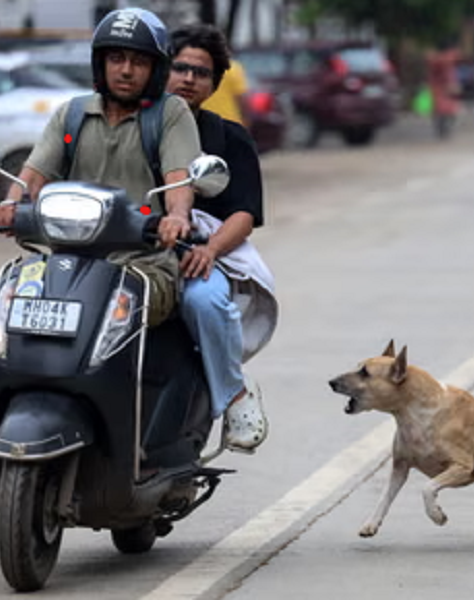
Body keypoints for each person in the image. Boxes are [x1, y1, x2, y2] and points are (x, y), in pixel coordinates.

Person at [0, 7, 201, 327]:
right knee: (10, 304)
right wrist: (9, 205)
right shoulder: (71, 114)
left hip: (142, 264)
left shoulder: (169, 114)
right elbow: (32, 176)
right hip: (64, 261)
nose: (126, 70)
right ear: (100, 63)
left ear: (155, 69)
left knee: (115, 310)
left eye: (139, 62)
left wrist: (177, 217)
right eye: (116, 59)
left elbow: (178, 181)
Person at [168, 24, 277, 453]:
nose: (188, 79)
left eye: (201, 72)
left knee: (205, 300)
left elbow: (244, 215)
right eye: (179, 68)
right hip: (130, 251)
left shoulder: (229, 138)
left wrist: (209, 250)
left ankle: (233, 394)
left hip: (194, 252)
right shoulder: (134, 126)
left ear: (215, 84)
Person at [425, 40, 461, 139]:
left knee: (438, 109)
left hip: (437, 86)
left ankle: (441, 129)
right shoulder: (449, 58)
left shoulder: (433, 59)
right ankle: (445, 129)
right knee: (449, 108)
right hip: (447, 85)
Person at [201, 57, 251, 128]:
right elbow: (241, 99)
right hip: (230, 124)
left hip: (204, 123)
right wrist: (246, 120)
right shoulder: (233, 68)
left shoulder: (201, 69)